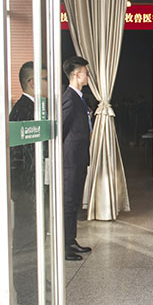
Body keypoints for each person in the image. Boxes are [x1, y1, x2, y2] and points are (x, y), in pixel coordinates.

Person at [9, 61, 47, 305]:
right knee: (25, 239)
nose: (49, 84)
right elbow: (19, 157)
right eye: (45, 79)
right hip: (25, 189)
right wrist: (29, 192)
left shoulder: (35, 108)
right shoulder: (22, 110)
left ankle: (36, 280)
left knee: (35, 236)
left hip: (33, 187)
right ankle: (25, 291)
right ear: (32, 83)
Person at [62, 56, 93, 261]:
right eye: (85, 73)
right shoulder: (69, 98)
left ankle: (71, 240)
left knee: (74, 203)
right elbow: (61, 130)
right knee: (68, 202)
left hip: (79, 159)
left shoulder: (79, 98)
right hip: (70, 161)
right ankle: (65, 247)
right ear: (76, 74)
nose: (88, 76)